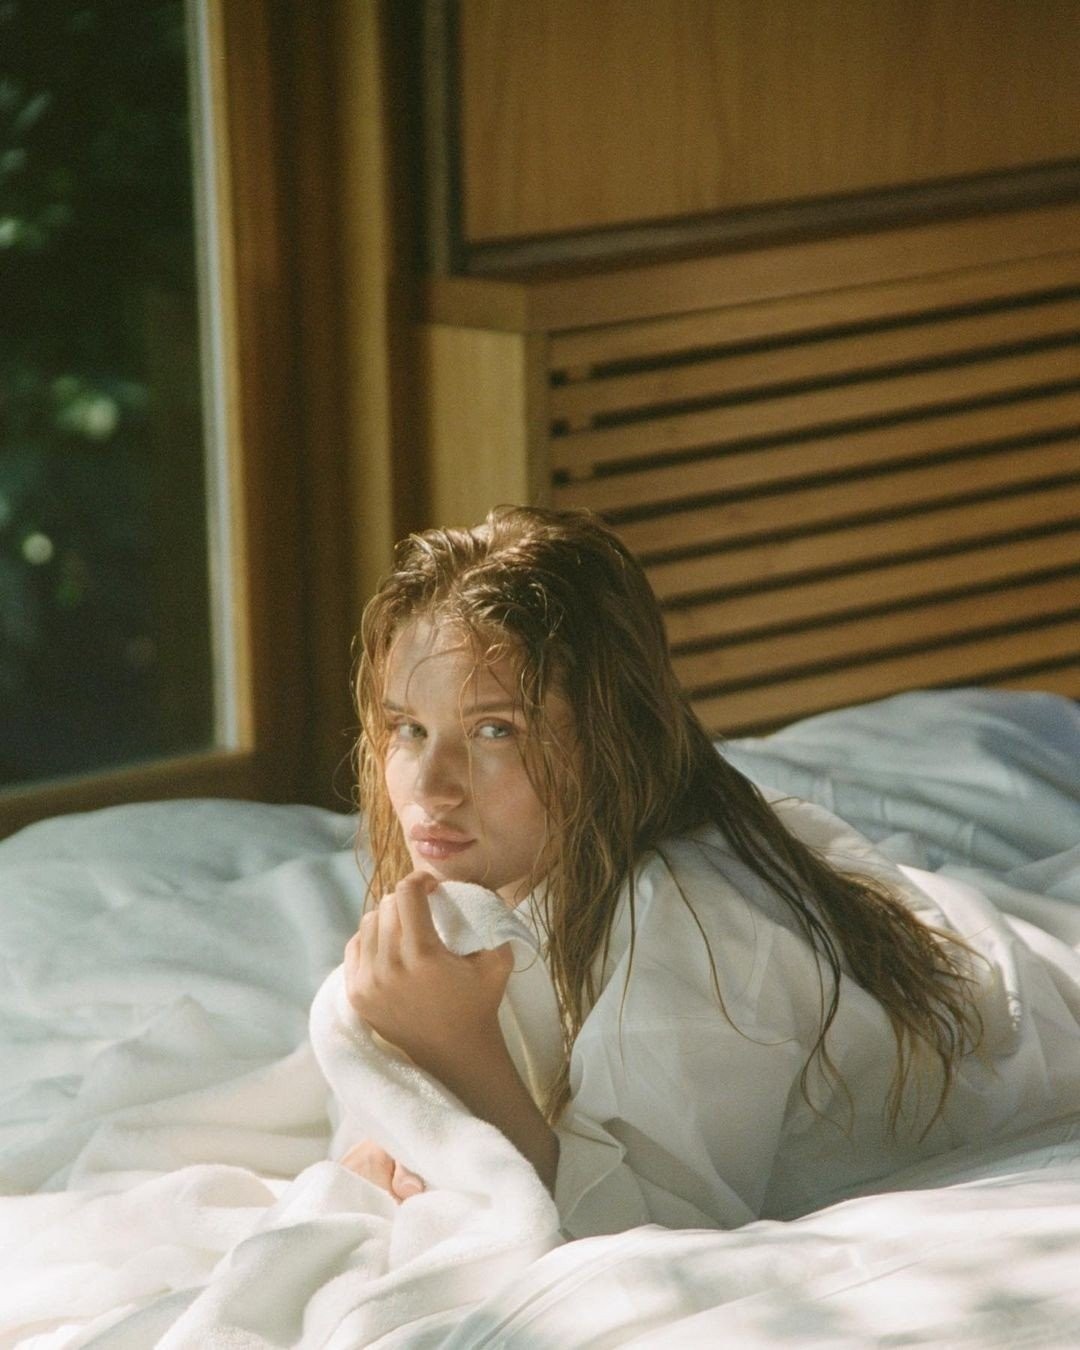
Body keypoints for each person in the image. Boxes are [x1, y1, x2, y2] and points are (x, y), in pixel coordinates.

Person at [336, 504, 1080, 1236]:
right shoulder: (500, 877)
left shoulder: (691, 922)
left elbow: (634, 1228)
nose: (430, 787)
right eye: (410, 728)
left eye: (494, 730)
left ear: (612, 737)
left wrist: (455, 1050)